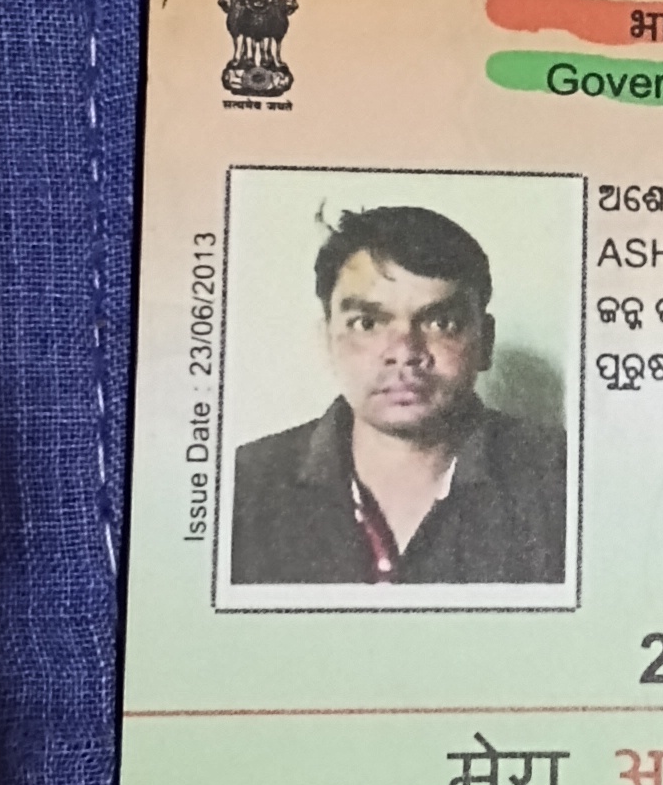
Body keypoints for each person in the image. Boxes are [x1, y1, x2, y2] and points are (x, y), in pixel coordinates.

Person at [230, 205, 569, 585]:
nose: (405, 351)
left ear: (485, 341)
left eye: (441, 322)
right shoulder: (242, 485)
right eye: (367, 323)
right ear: (327, 341)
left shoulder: (566, 477)